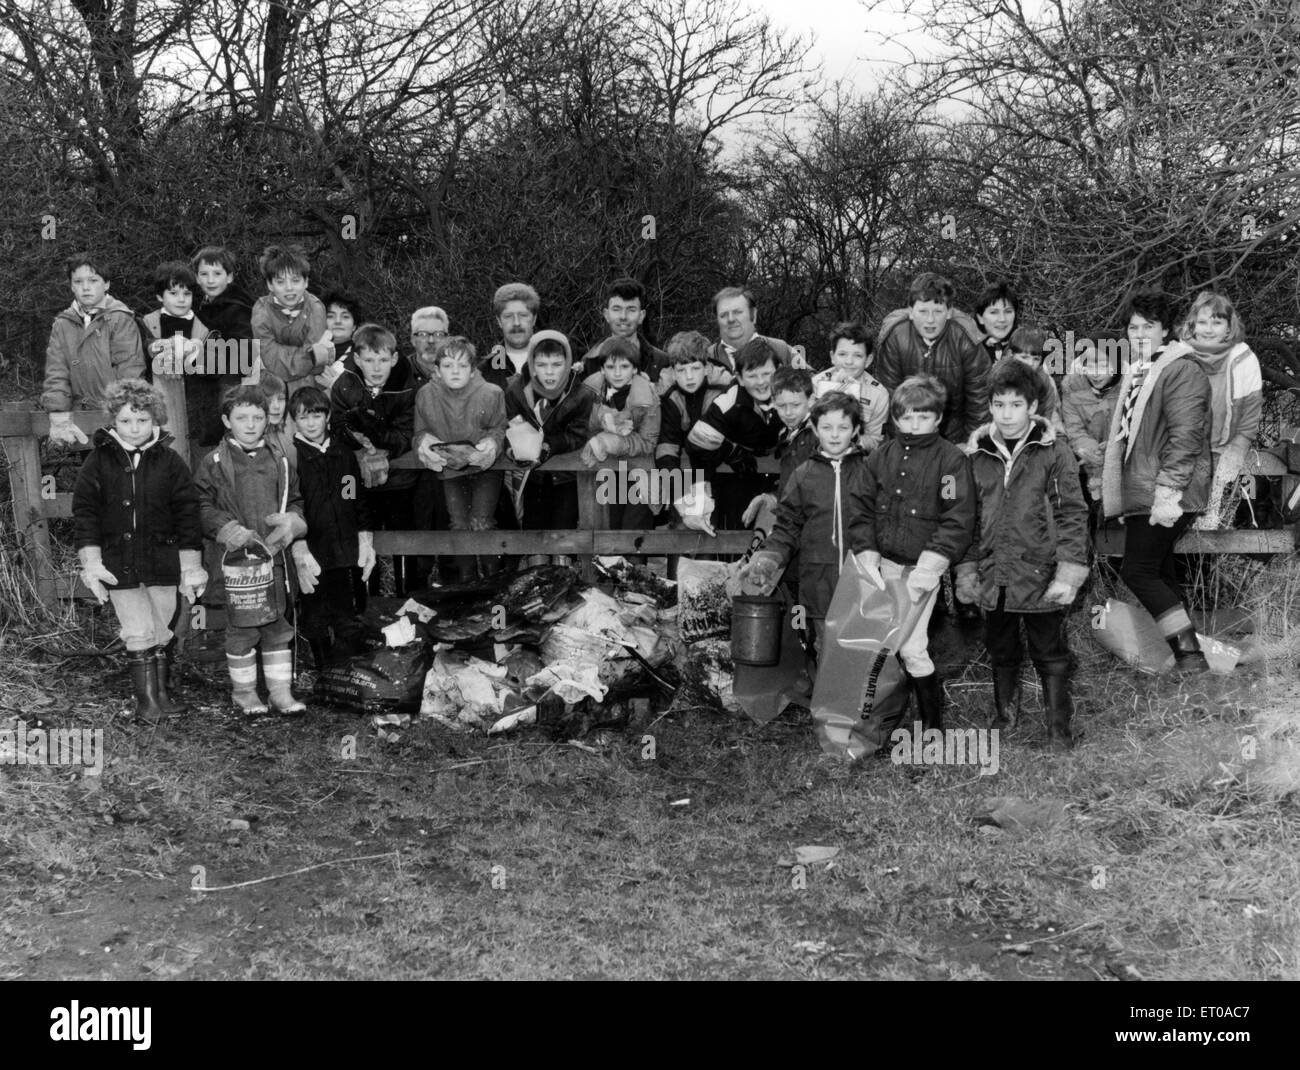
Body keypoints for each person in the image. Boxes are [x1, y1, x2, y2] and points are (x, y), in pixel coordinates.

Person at [957, 360, 1089, 748]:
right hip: (993, 573)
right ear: (990, 407)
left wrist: (1068, 571)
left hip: (1040, 570)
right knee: (1001, 647)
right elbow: (968, 517)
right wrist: (967, 571)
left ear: (1033, 406)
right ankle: (1005, 718)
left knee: (1050, 651)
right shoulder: (976, 453)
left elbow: (1071, 512)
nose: (1007, 414)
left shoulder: (1054, 451)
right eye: (999, 405)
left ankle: (1058, 729)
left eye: (1016, 405)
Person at [72, 379, 206, 721]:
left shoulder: (170, 461)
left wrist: (190, 564)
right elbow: (85, 512)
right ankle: (146, 702)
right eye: (126, 421)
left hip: (163, 561)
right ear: (113, 420)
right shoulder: (98, 461)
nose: (134, 428)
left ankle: (161, 695)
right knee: (137, 628)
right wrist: (92, 560)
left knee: (162, 626)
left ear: (155, 420)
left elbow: (188, 513)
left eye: (142, 420)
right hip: (118, 563)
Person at [849, 376, 976, 733]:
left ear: (938, 418)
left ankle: (932, 727)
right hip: (883, 565)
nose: (914, 425)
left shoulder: (951, 461)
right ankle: (880, 721)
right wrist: (867, 554)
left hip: (921, 569)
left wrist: (932, 567)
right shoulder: (881, 456)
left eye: (923, 417)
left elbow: (957, 516)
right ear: (896, 418)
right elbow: (860, 506)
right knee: (884, 644)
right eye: (907, 418)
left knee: (911, 647)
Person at [1100, 288, 1213, 672]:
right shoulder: (1142, 369)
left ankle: (1190, 657)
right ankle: (1187, 657)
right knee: (1160, 571)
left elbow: (1186, 437)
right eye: (1133, 327)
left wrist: (1168, 492)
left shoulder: (1181, 369)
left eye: (1149, 325)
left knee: (1138, 570)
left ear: (1167, 329)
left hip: (1165, 490)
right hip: (1145, 489)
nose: (1140, 332)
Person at [193, 385, 307, 714]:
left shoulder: (281, 460)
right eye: (242, 417)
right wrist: (226, 529)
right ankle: (244, 693)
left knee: (276, 625)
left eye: (258, 417)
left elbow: (296, 501)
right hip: (237, 565)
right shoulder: (214, 462)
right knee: (242, 628)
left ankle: (280, 692)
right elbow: (200, 505)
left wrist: (293, 523)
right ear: (227, 421)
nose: (251, 424)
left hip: (273, 560)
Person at [742, 393, 868, 671]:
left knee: (861, 645)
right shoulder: (803, 474)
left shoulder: (870, 471)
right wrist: (769, 558)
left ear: (856, 430)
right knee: (824, 644)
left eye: (843, 428)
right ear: (814, 428)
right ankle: (826, 708)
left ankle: (863, 709)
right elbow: (787, 526)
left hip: (861, 577)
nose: (834, 436)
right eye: (826, 427)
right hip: (818, 578)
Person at [287, 385, 375, 668]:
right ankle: (324, 670)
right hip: (314, 548)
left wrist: (363, 536)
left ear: (327, 417)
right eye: (303, 417)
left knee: (348, 611)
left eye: (316, 415)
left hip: (346, 547)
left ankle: (349, 670)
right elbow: (294, 503)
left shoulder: (343, 453)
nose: (311, 423)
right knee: (315, 612)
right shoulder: (292, 457)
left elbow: (355, 497)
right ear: (294, 421)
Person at [329, 322, 421, 592]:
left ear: (394, 358)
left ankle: (406, 597)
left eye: (383, 360)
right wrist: (352, 433)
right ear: (357, 359)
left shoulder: (407, 387)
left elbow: (405, 436)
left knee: (403, 540)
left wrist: (371, 430)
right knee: (362, 536)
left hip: (400, 479)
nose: (376, 367)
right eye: (369, 360)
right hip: (358, 480)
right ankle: (368, 603)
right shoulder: (344, 386)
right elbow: (337, 428)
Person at [412, 337, 508, 581]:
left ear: (473, 369)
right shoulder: (425, 394)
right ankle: (468, 583)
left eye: (462, 365)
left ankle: (493, 582)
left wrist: (491, 444)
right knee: (458, 523)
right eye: (448, 365)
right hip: (451, 468)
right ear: (436, 369)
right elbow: (419, 430)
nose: (455, 371)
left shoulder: (491, 393)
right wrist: (426, 444)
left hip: (484, 466)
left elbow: (499, 428)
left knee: (482, 520)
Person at [1171, 290, 1263, 531]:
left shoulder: (1243, 358)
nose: (1209, 329)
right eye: (1202, 322)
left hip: (1224, 442)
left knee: (1210, 520)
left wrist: (1240, 444)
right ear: (1192, 324)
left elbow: (1252, 409)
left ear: (1229, 325)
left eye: (1217, 321)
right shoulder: (1178, 355)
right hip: (1186, 444)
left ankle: (1210, 526)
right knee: (1178, 518)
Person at [874, 271, 991, 444]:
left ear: (949, 312)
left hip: (955, 434)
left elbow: (979, 401)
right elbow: (889, 397)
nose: (930, 320)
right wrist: (899, 443)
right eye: (923, 311)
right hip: (907, 430)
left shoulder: (965, 339)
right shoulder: (896, 336)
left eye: (937, 311)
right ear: (911, 312)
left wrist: (972, 444)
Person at [43, 253, 146, 446]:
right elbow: (56, 372)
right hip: (80, 417)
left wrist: (122, 412)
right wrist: (58, 412)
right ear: (72, 286)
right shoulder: (62, 324)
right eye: (78, 281)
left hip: (116, 416)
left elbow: (130, 369)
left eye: (93, 280)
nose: (86, 287)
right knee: (91, 473)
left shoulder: (119, 318)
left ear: (106, 284)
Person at [503, 330, 596, 541]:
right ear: (532, 365)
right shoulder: (516, 391)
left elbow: (578, 433)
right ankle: (536, 569)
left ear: (569, 363)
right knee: (534, 534)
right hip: (531, 478)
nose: (550, 372)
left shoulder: (580, 394)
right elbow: (510, 424)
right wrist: (512, 448)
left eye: (557, 365)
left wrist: (549, 446)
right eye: (542, 365)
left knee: (564, 535)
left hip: (566, 477)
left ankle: (563, 570)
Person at [687, 336, 784, 531]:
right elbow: (696, 444)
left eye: (767, 374)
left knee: (779, 529)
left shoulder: (792, 396)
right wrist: (730, 452)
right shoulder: (728, 403)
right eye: (752, 376)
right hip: (739, 477)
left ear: (779, 371)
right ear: (739, 378)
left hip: (781, 473)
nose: (761, 382)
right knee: (739, 526)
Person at [581, 336, 661, 539]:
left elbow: (649, 442)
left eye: (624, 366)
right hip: (606, 471)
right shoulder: (589, 390)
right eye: (610, 366)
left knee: (633, 534)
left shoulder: (647, 397)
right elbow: (580, 426)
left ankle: (635, 570)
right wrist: (601, 424)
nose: (617, 373)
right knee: (610, 531)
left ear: (635, 369)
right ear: (601, 369)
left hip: (639, 472)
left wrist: (616, 442)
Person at [137, 260, 210, 455]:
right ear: (160, 296)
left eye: (187, 294)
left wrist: (195, 350)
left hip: (196, 413)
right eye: (174, 293)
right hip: (159, 411)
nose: (181, 299)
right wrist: (156, 348)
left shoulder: (204, 327)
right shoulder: (146, 324)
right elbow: (140, 357)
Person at [249, 244, 333, 396]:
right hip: (271, 388)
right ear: (270, 284)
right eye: (280, 282)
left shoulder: (315, 308)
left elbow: (318, 365)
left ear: (306, 281)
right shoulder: (261, 310)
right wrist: (309, 356)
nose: (289, 288)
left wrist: (313, 357)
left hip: (309, 389)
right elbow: (271, 361)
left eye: (295, 280)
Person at [191, 245, 255, 438]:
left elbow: (244, 357)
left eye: (217, 273)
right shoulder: (199, 306)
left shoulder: (239, 309)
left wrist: (198, 358)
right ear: (196, 277)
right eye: (204, 273)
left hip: (231, 394)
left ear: (229, 277)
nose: (210, 280)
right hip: (206, 396)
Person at [1061, 341, 1123, 509]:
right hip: (1086, 464)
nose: (1095, 374)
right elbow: (1074, 428)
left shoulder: (1129, 385)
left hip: (1124, 465)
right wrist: (1089, 450)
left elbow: (1135, 426)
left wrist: (1115, 447)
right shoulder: (1072, 387)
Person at [810, 321, 889, 452]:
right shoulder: (816, 384)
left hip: (856, 458)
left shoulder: (878, 394)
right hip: (817, 454)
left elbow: (875, 442)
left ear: (868, 360)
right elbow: (806, 432)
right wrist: (831, 394)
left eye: (857, 355)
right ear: (832, 357)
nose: (849, 361)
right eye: (842, 354)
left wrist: (852, 438)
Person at [579, 277, 670, 389]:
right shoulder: (589, 363)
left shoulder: (661, 362)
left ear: (641, 316)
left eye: (631, 310)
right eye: (617, 309)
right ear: (606, 315)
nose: (623, 317)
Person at [1000, 325, 1064, 434]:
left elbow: (1051, 416)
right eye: (1024, 357)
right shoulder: (997, 379)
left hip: (1036, 435)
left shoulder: (1046, 382)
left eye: (1036, 359)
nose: (1030, 363)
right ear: (1011, 355)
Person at [482, 282, 540, 392]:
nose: (516, 323)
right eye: (508, 316)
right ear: (499, 321)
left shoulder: (560, 365)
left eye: (523, 315)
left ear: (534, 319)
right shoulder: (482, 373)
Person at [318, 290, 363, 391]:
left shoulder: (363, 359)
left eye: (345, 317)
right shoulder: (308, 353)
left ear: (354, 326)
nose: (338, 321)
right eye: (331, 316)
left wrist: (337, 386)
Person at [973, 281, 1020, 364]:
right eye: (994, 312)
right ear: (980, 318)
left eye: (1008, 311)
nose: (1002, 319)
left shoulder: (1028, 347)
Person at [408, 305, 451, 387]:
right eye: (423, 334)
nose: (431, 341)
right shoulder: (396, 375)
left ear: (447, 339)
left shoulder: (461, 374)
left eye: (438, 334)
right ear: (413, 340)